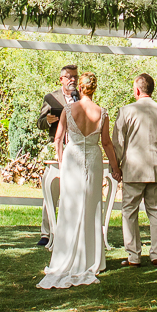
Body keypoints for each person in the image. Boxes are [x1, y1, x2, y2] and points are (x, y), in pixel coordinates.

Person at [39, 71, 118, 289]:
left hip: (72, 161)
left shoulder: (68, 110)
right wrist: (116, 167)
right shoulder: (102, 112)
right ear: (94, 88)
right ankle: (92, 259)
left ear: (81, 88)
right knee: (92, 207)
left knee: (69, 207)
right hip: (93, 159)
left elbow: (58, 140)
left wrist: (62, 164)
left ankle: (65, 255)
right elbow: (107, 144)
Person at [114, 73, 157, 266]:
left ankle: (133, 256)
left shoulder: (126, 111)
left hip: (133, 170)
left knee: (129, 211)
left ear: (137, 90)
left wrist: (117, 165)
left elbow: (118, 142)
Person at [38, 65, 80, 248]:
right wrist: (46, 120)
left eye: (75, 77)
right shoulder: (51, 97)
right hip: (58, 149)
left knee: (75, 193)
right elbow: (39, 122)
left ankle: (71, 231)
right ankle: (46, 233)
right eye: (69, 77)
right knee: (52, 191)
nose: (73, 80)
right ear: (61, 79)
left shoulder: (82, 96)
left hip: (77, 150)